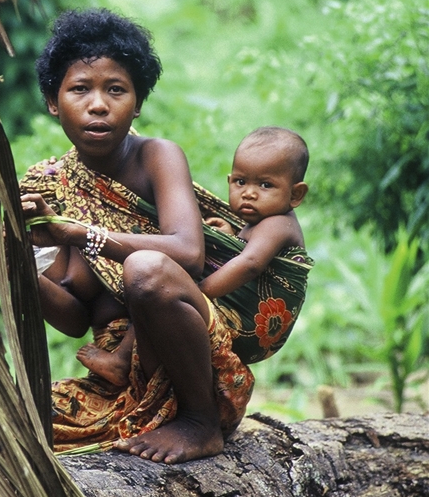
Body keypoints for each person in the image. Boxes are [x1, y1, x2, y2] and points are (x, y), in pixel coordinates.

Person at [9, 8, 255, 464]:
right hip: (117, 383)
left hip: (197, 373)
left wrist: (81, 234)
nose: (98, 104)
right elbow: (73, 320)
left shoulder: (156, 157)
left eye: (116, 90)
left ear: (137, 102)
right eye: (80, 89)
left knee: (146, 269)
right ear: (52, 100)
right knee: (2, 422)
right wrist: (11, 261)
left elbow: (188, 252)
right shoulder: (47, 188)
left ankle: (200, 425)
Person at [79, 126, 312, 378]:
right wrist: (231, 236)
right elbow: (248, 252)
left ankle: (122, 361)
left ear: (296, 194)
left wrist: (200, 293)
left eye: (266, 185)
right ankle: (144, 371)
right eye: (240, 182)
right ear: (229, 180)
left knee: (166, 289)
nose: (249, 193)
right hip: (247, 324)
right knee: (159, 291)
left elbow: (251, 263)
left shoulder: (277, 223)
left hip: (252, 325)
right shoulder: (258, 223)